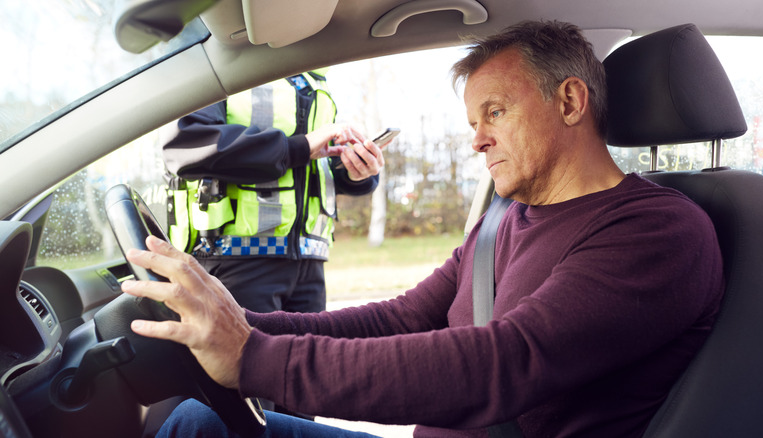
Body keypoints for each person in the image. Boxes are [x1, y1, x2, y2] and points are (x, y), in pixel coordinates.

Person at [122, 20, 724, 437]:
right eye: (473, 120)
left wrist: (255, 358)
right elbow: (399, 319)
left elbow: (505, 363)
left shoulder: (659, 231)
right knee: (199, 426)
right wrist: (238, 321)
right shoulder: (505, 222)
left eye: (496, 111)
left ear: (570, 102)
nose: (478, 138)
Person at [162, 69, 384, 314]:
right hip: (235, 262)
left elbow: (315, 167)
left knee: (310, 352)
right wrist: (299, 147)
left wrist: (354, 174)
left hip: (310, 265)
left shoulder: (314, 78)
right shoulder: (222, 69)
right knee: (249, 353)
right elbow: (187, 145)